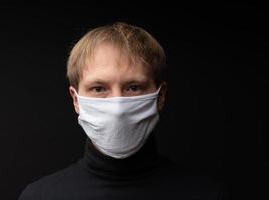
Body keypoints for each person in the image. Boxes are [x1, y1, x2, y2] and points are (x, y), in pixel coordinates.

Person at [19, 22, 229, 200]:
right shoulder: (41, 196)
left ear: (161, 96)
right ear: (76, 99)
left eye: (133, 87)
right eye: (99, 88)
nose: (118, 108)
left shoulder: (206, 194)